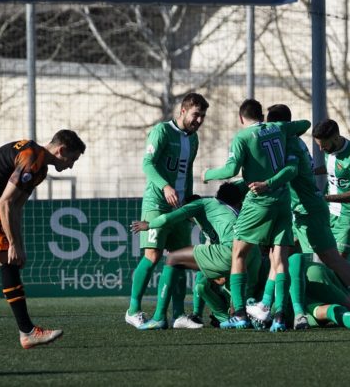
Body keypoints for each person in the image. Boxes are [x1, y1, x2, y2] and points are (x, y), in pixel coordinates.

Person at [246, 104, 350, 331]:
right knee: (279, 253)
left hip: (309, 212)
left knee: (332, 260)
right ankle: (268, 304)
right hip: (300, 211)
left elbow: (290, 172)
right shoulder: (292, 142)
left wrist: (266, 184)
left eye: (271, 125)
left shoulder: (290, 144)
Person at [203, 99, 310, 331]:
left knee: (238, 253)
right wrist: (285, 128)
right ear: (261, 115)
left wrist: (207, 173)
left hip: (258, 202)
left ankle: (239, 313)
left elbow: (230, 170)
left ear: (241, 118)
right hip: (282, 201)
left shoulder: (242, 138)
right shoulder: (278, 128)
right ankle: (280, 316)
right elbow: (305, 124)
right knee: (279, 259)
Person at [126, 93, 209, 329]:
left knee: (180, 259)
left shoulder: (193, 140)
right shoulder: (162, 131)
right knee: (152, 256)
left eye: (202, 116)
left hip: (180, 207)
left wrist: (190, 204)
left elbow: (188, 171)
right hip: (156, 204)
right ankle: (133, 310)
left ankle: (179, 315)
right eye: (196, 115)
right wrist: (165, 186)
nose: (199, 120)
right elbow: (147, 164)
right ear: (183, 111)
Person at [130, 182, 262, 330]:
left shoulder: (202, 204)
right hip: (251, 252)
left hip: (232, 250)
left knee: (174, 258)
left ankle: (159, 318)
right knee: (207, 277)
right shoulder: (230, 210)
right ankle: (240, 314)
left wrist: (148, 225)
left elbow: (168, 218)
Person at [0, 129, 85, 349]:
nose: (71, 166)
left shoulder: (40, 170)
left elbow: (16, 208)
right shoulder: (31, 158)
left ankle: (27, 332)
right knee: (9, 262)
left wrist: (18, 245)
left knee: (10, 262)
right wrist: (14, 244)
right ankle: (27, 333)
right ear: (61, 149)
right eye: (72, 159)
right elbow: (5, 203)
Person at [312, 119, 350, 259]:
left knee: (339, 261)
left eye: (323, 146)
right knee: (323, 258)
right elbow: (332, 168)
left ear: (336, 137)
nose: (321, 149)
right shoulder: (329, 149)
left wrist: (325, 198)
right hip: (327, 212)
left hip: (347, 215)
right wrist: (311, 171)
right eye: (319, 145)